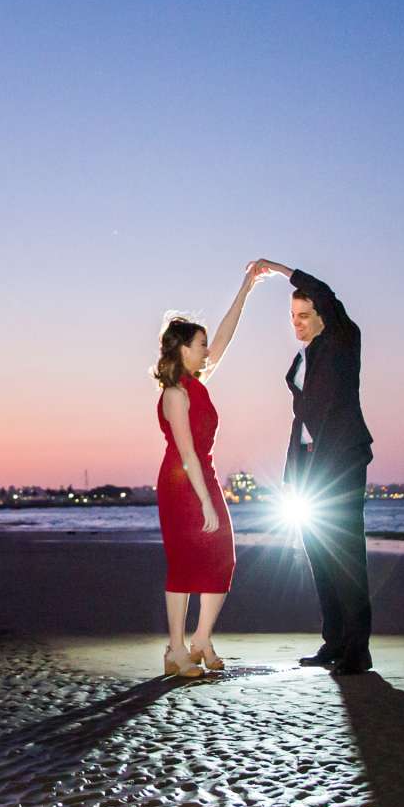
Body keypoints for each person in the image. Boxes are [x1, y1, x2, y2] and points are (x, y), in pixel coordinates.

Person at [250, 258, 374, 674]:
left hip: (341, 462)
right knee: (319, 556)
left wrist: (280, 270)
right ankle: (334, 642)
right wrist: (291, 475)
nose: (297, 324)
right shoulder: (304, 359)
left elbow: (326, 294)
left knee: (345, 555)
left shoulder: (343, 340)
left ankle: (358, 650)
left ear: (323, 316)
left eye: (304, 316)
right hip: (307, 468)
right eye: (292, 317)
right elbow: (300, 423)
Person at [151, 266, 267, 676]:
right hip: (183, 483)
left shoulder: (198, 382)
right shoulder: (175, 394)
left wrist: (245, 289)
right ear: (183, 350)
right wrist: (205, 502)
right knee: (184, 563)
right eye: (200, 345)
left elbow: (224, 337)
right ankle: (175, 651)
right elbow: (186, 454)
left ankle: (201, 639)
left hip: (206, 478)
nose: (207, 350)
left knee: (222, 558)